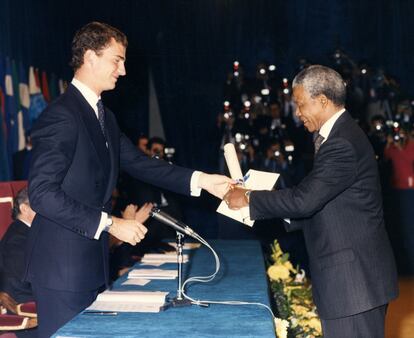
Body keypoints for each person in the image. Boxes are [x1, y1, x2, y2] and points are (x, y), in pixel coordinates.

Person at [26, 21, 232, 337]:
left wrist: (204, 180)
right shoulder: (62, 115)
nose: (122, 71)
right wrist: (111, 223)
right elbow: (41, 194)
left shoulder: (104, 116)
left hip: (91, 267)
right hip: (61, 272)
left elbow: (141, 164)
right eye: (116, 60)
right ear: (90, 58)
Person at [224, 65, 398, 337]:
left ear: (322, 101)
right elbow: (322, 200)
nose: (296, 113)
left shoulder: (342, 144)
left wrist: (248, 198)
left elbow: (306, 200)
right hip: (353, 282)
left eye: (300, 104)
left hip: (353, 284)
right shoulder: (338, 136)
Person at [0, 187, 35, 304]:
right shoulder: (17, 238)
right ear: (24, 208)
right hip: (24, 300)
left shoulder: (23, 232)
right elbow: (16, 280)